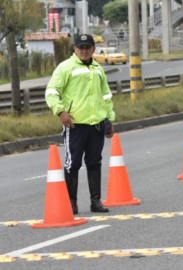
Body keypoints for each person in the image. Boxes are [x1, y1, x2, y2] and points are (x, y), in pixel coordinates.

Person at [45, 34, 115, 214]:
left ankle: (95, 202)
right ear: (75, 49)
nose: (84, 51)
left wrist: (110, 119)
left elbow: (106, 96)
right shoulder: (66, 67)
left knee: (95, 162)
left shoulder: (98, 68)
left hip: (96, 124)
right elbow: (52, 91)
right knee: (72, 163)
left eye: (88, 47)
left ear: (93, 49)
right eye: (81, 47)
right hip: (74, 125)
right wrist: (60, 112)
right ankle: (71, 203)